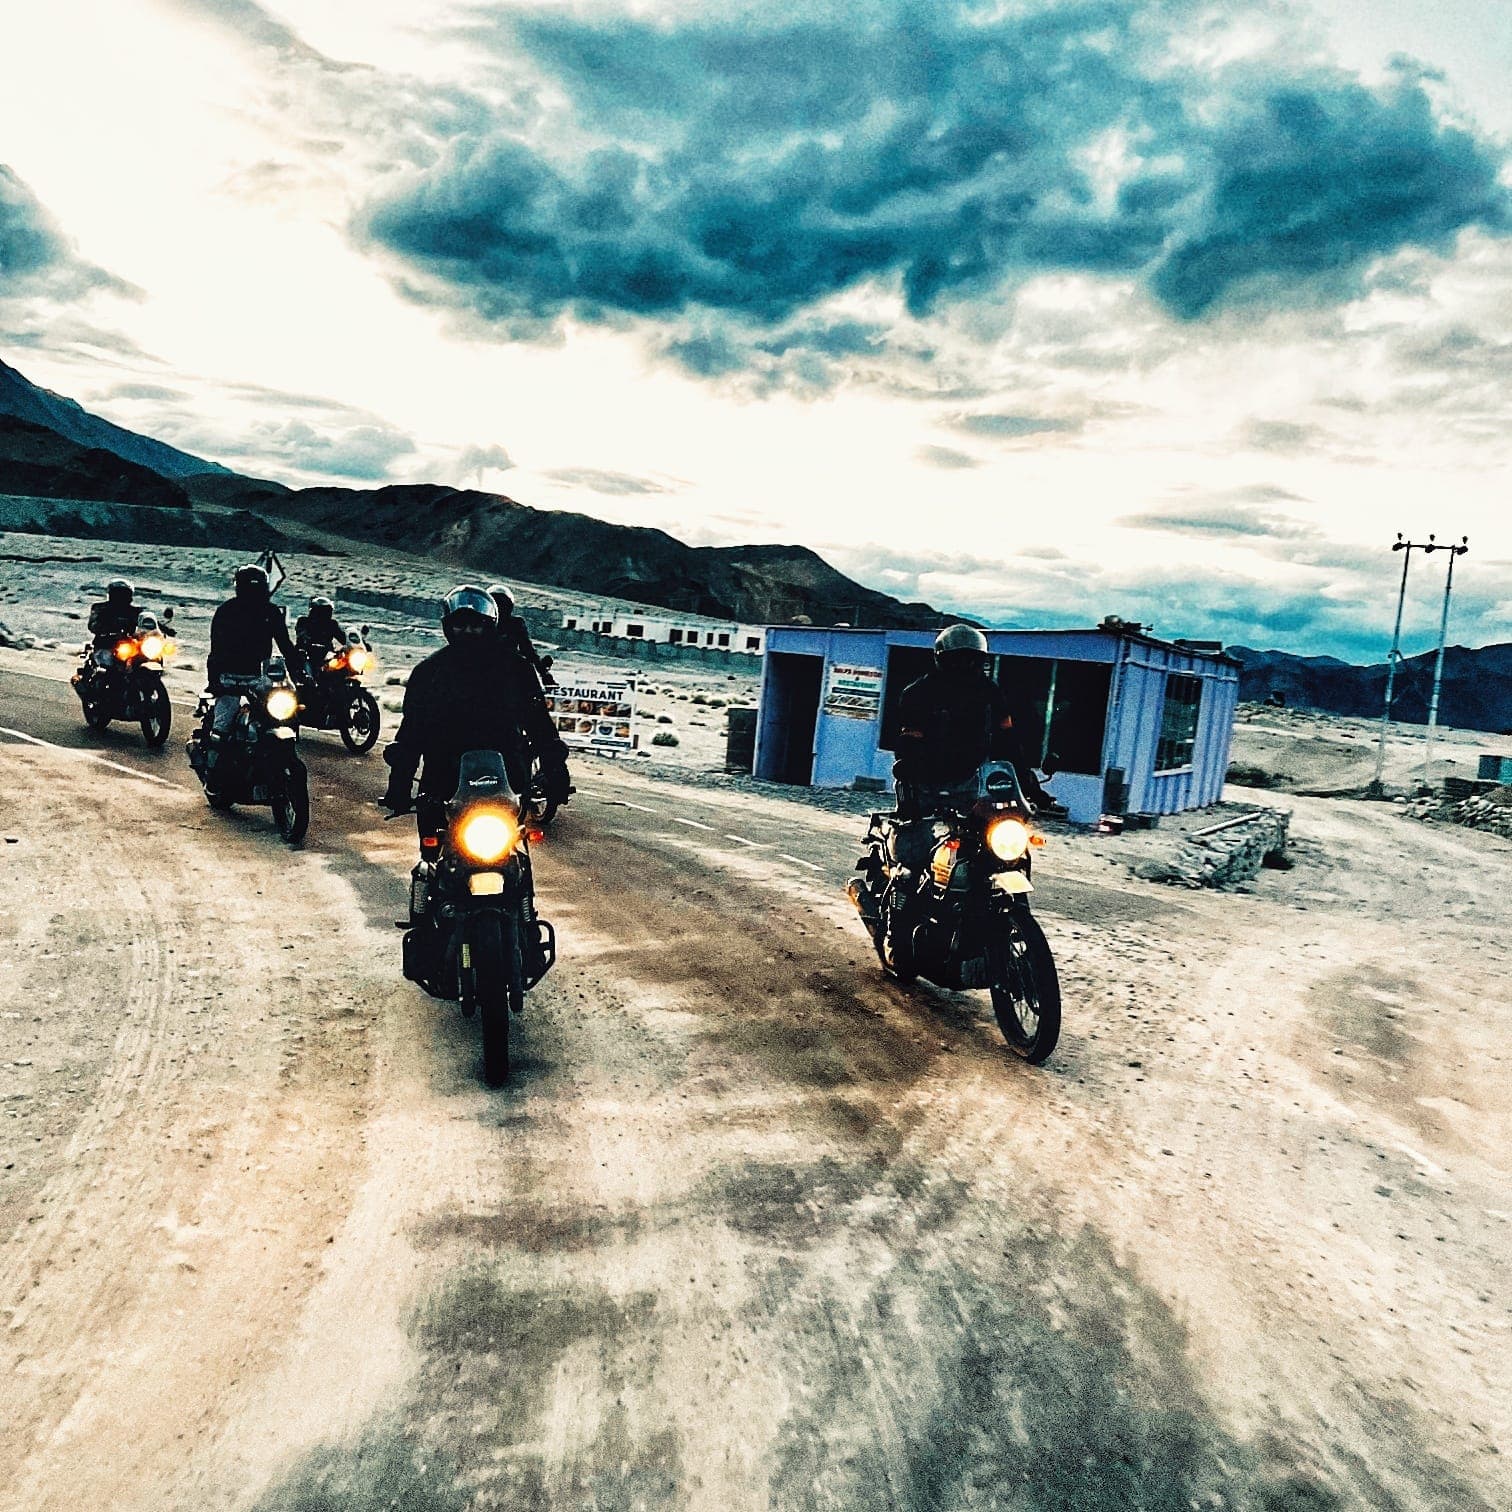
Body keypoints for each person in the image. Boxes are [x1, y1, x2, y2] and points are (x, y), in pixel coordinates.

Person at [382, 584, 571, 825]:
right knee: (430, 846)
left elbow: (539, 724)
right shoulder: (428, 672)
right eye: (460, 625)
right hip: (443, 777)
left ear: (489, 624)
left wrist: (555, 771)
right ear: (447, 627)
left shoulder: (517, 669)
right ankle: (429, 861)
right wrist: (399, 784)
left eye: (476, 625)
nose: (468, 632)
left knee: (518, 841)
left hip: (506, 778)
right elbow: (411, 732)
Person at [893, 624, 1050, 818]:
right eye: (958, 659)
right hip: (925, 782)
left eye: (972, 659)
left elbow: (1008, 743)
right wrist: (907, 771)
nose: (966, 665)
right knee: (914, 838)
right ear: (942, 659)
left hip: (973, 782)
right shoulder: (918, 693)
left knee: (995, 836)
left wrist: (1030, 786)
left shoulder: (990, 692)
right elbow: (909, 743)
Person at [204, 563, 299, 753]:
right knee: (221, 731)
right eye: (250, 588)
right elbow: (216, 648)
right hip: (231, 678)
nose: (254, 593)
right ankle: (216, 774)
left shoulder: (271, 612)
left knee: (284, 718)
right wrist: (215, 679)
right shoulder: (227, 611)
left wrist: (298, 668)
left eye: (257, 588)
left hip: (261, 679)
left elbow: (284, 643)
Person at [486, 583, 556, 688]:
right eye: (497, 602)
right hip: (502, 671)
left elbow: (528, 650)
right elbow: (528, 650)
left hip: (504, 671)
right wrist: (543, 672)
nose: (500, 606)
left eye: (502, 603)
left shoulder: (483, 623)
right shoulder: (514, 624)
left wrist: (543, 673)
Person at [293, 595, 347, 670]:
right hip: (306, 652)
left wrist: (356, 644)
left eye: (327, 611)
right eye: (323, 611)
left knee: (343, 666)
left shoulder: (332, 624)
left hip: (327, 655)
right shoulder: (303, 621)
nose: (325, 614)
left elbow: (343, 639)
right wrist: (307, 641)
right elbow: (301, 634)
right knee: (299, 663)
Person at [87, 579, 140, 646]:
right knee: (104, 656)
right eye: (117, 594)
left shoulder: (135, 611)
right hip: (105, 643)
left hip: (130, 644)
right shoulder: (101, 608)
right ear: (111, 595)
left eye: (124, 594)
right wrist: (105, 624)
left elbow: (148, 624)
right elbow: (92, 625)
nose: (120, 597)